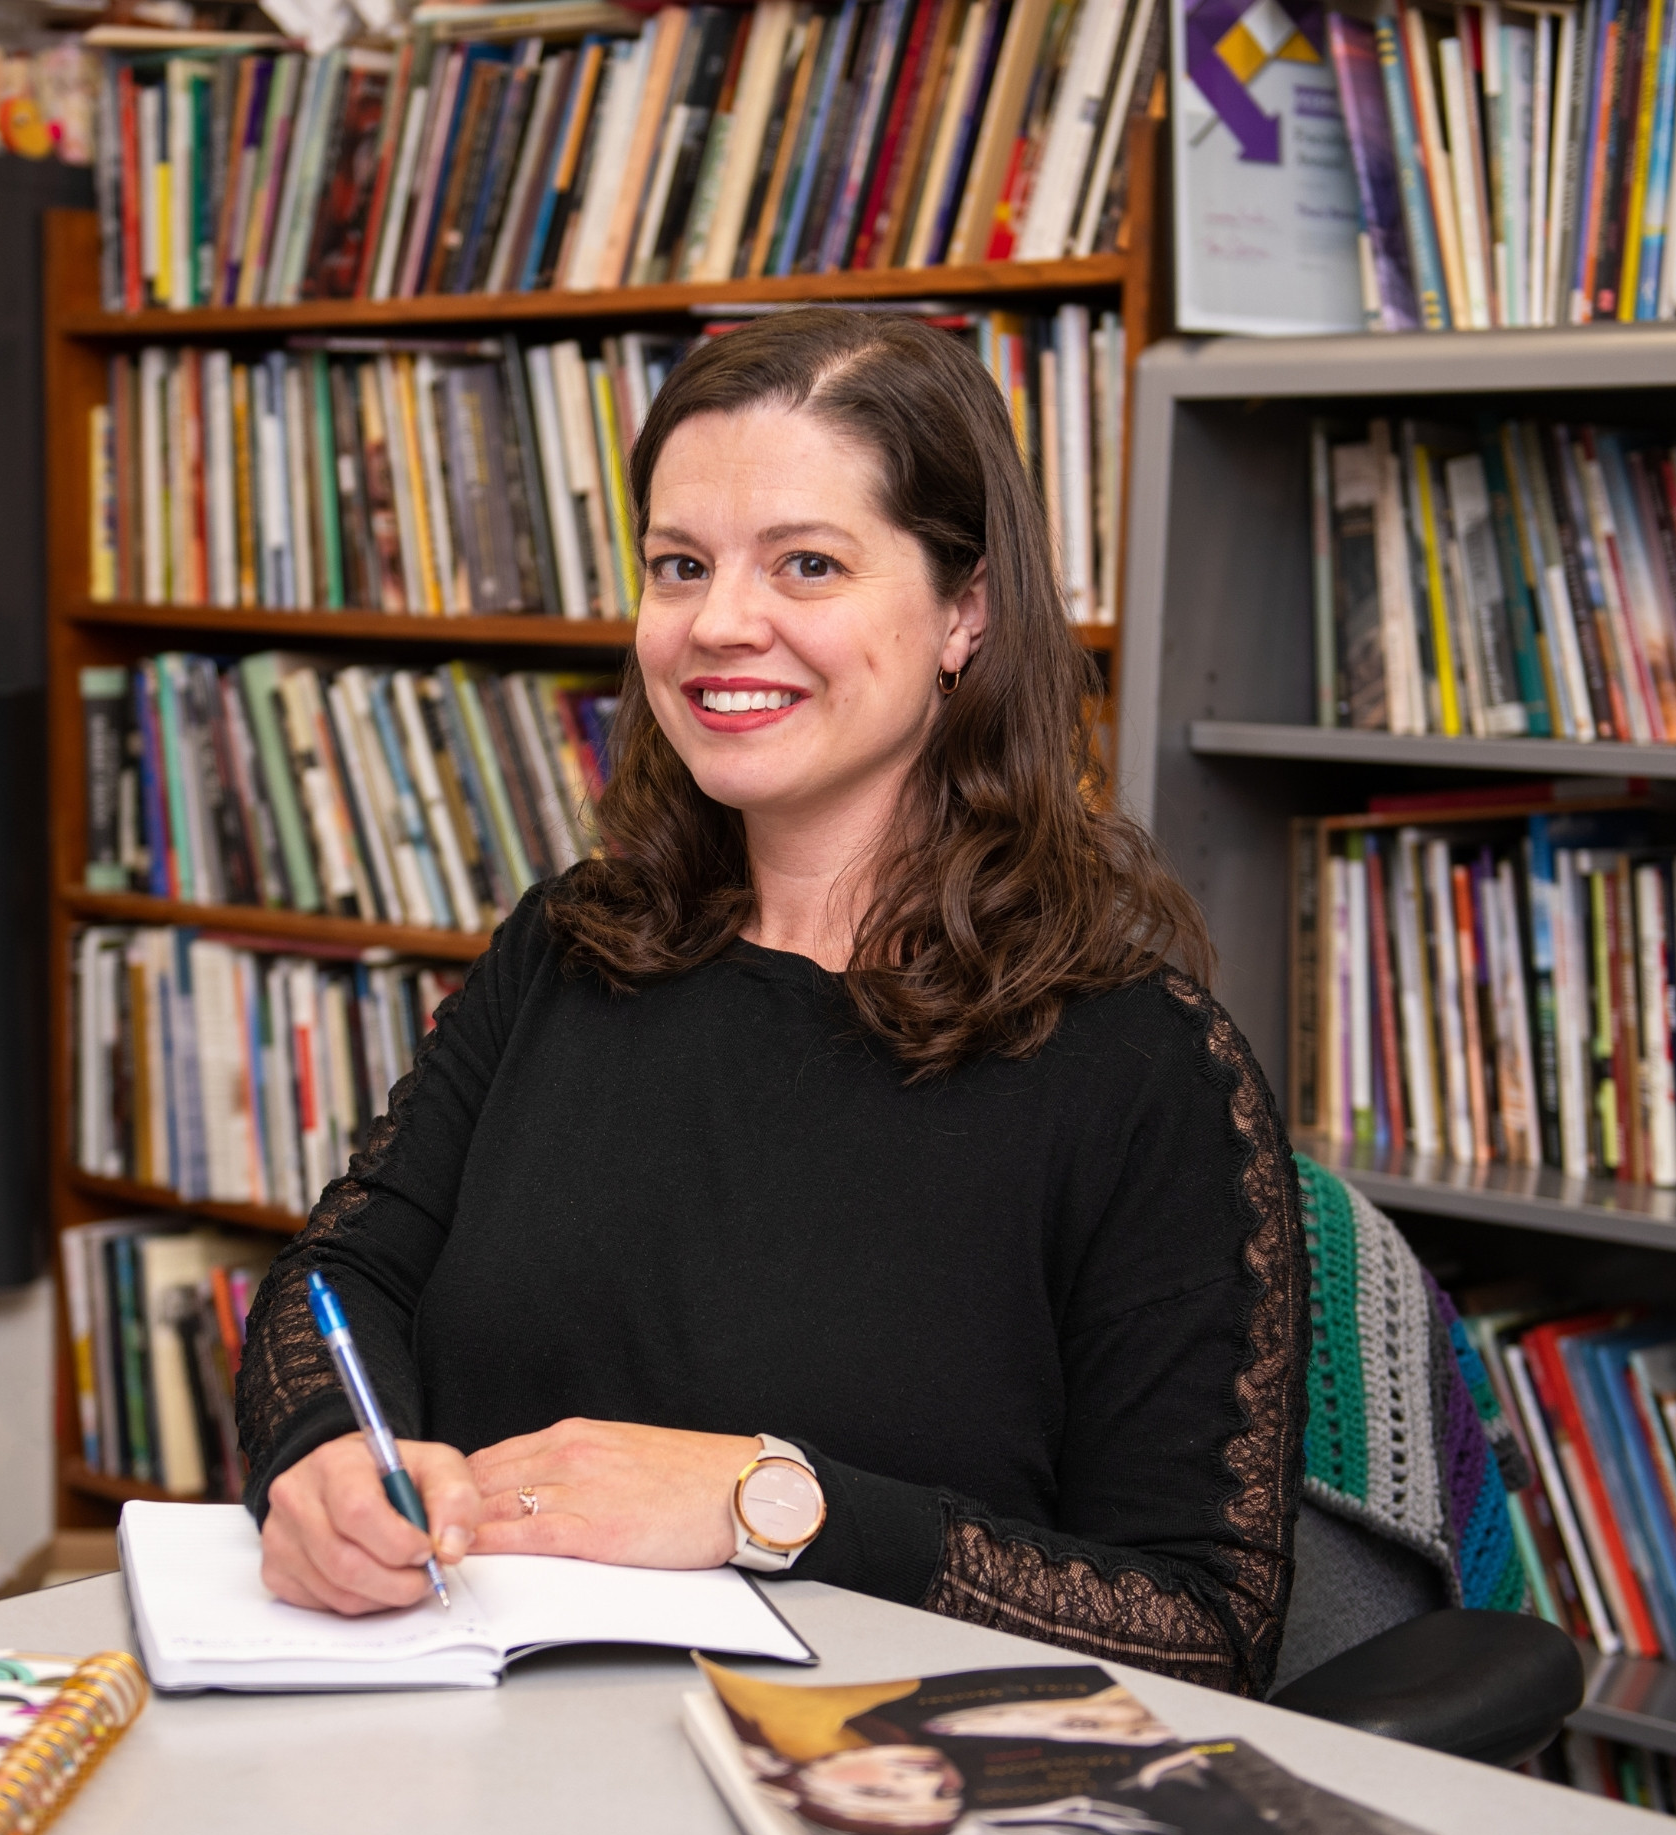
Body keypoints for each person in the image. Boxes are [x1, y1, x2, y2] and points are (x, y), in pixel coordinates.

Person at [236, 307, 1309, 1697]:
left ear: (964, 610)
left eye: (807, 563)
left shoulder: (1142, 1065)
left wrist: (769, 1505)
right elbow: (342, 1275)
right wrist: (321, 1450)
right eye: (679, 566)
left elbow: (1203, 1630)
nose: (720, 624)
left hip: (875, 1811)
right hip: (475, 1758)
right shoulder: (569, 947)